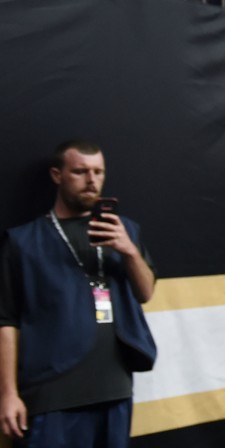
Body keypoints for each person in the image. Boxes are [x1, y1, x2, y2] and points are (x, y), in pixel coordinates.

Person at [0, 140, 157, 447]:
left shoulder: (123, 230)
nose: (91, 180)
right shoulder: (22, 242)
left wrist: (129, 251)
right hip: (52, 393)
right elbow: (6, 322)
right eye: (80, 171)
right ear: (57, 175)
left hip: (114, 390)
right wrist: (8, 394)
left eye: (98, 172)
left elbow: (146, 292)